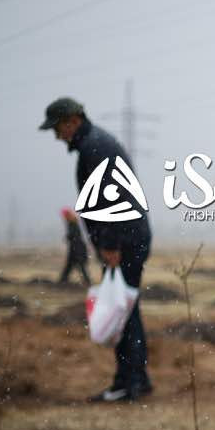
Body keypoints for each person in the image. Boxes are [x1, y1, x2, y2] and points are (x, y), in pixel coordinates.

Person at [40, 97, 152, 402]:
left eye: (57, 128)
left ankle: (128, 383)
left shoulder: (95, 147)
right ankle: (135, 379)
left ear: (73, 121)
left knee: (122, 310)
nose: (56, 135)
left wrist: (111, 244)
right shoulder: (97, 144)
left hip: (124, 241)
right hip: (130, 237)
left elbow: (110, 200)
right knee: (126, 307)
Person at [59, 208, 91, 285]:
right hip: (75, 248)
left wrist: (68, 237)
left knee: (79, 266)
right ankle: (63, 280)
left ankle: (87, 281)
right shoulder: (72, 222)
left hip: (77, 248)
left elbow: (74, 236)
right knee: (72, 265)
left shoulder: (72, 223)